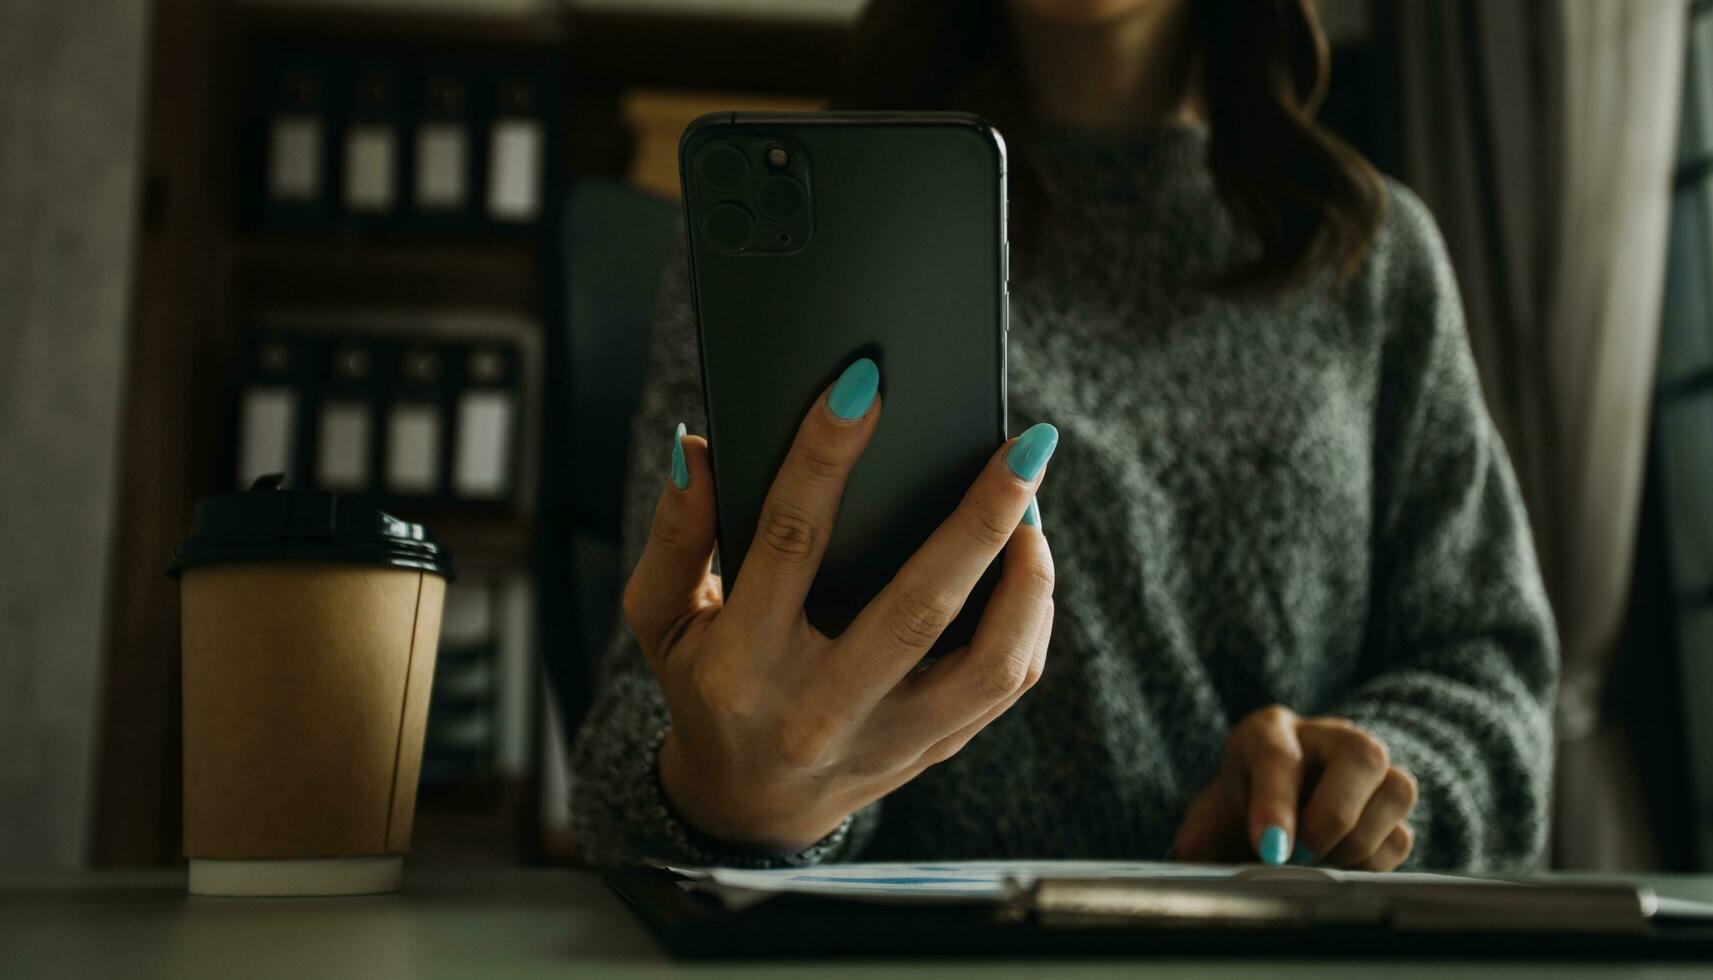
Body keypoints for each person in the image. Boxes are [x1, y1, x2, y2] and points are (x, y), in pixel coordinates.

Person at [569, 0, 1559, 872]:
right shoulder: (811, 247)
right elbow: (632, 743)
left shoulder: (1369, 257)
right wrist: (745, 796)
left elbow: (1491, 672)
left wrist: (1363, 782)